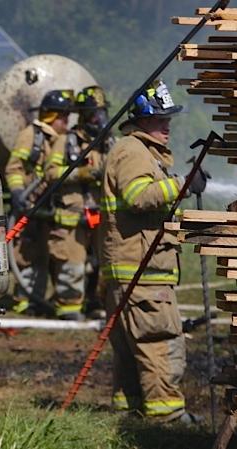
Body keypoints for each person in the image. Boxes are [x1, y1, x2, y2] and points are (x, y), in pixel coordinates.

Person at [100, 79, 206, 421]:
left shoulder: (138, 150)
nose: (167, 126)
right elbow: (138, 196)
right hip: (142, 272)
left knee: (132, 350)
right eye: (161, 119)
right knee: (160, 342)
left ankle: (132, 411)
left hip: (138, 269)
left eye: (169, 120)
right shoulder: (133, 150)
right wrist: (183, 184)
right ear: (143, 119)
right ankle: (169, 418)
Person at [4, 89, 74, 315]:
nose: (67, 121)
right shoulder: (31, 135)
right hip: (30, 206)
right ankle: (25, 301)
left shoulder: (60, 140)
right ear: (52, 116)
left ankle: (40, 300)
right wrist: (18, 193)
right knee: (27, 255)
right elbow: (14, 167)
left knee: (46, 255)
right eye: (64, 116)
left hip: (47, 208)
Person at [44, 86, 110, 320]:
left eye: (102, 113)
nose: (98, 119)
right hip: (72, 216)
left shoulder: (110, 143)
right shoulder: (66, 141)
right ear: (83, 116)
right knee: (72, 264)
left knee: (103, 264)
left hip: (101, 216)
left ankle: (96, 303)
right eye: (94, 114)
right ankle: (69, 308)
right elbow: (50, 173)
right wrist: (83, 173)